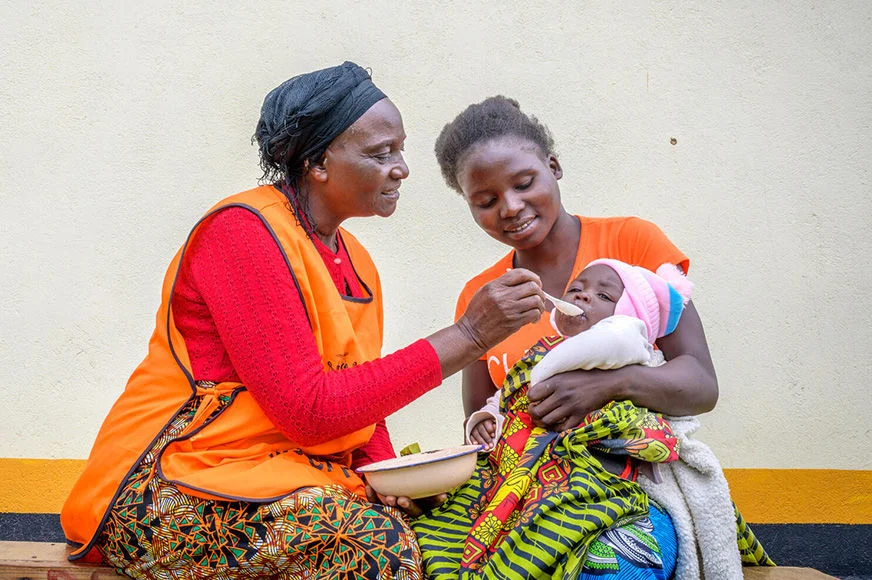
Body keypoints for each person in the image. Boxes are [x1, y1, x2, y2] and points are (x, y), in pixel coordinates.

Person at [60, 64, 547, 580]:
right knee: (371, 548)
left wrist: (387, 478)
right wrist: (469, 336)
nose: (401, 167)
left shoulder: (355, 260)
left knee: (457, 518)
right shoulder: (242, 234)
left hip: (281, 477)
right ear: (317, 162)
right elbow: (308, 409)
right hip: (167, 484)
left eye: (401, 149)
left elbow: (362, 401)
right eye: (381, 153)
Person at [413, 96, 720, 579]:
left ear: (553, 166)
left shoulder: (632, 245)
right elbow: (482, 426)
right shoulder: (481, 297)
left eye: (524, 183)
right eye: (486, 201)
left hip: (629, 491)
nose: (510, 208)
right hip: (521, 502)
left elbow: (701, 384)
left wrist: (608, 385)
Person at [466, 259, 693, 452]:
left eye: (604, 295)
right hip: (539, 464)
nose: (583, 295)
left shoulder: (632, 347)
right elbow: (509, 394)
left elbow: (616, 338)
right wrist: (488, 419)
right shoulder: (542, 350)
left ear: (631, 314)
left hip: (601, 470)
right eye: (574, 290)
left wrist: (548, 366)